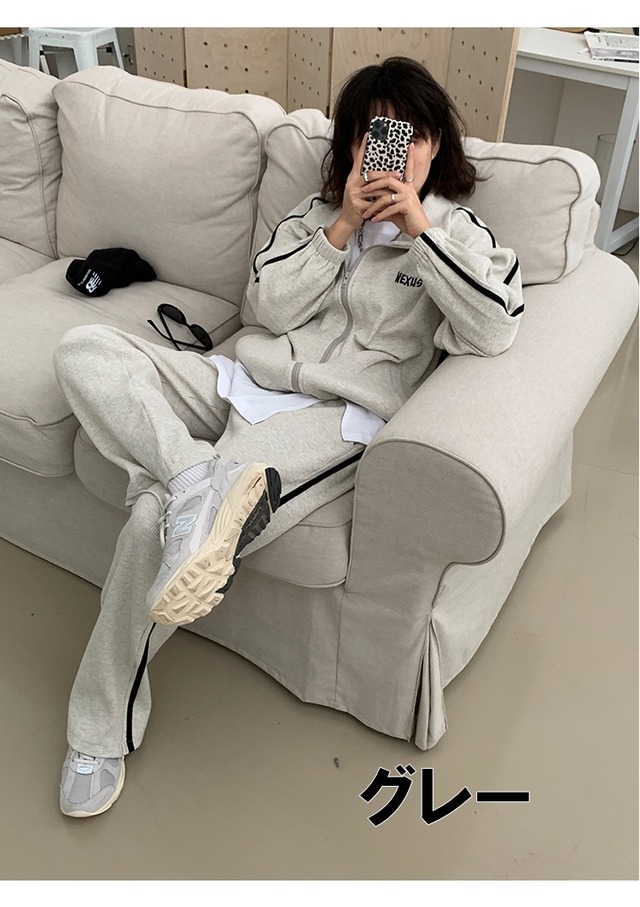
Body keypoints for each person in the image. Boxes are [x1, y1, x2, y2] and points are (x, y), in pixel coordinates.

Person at [53, 55, 523, 818]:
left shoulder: (460, 236)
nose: (395, 152)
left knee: (150, 518)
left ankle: (97, 729)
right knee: (85, 350)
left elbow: (493, 328)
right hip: (239, 378)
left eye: (411, 136)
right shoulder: (312, 217)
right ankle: (193, 478)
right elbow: (265, 309)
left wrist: (419, 230)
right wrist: (341, 228)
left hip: (330, 422)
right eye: (376, 136)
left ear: (437, 145)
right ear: (351, 146)